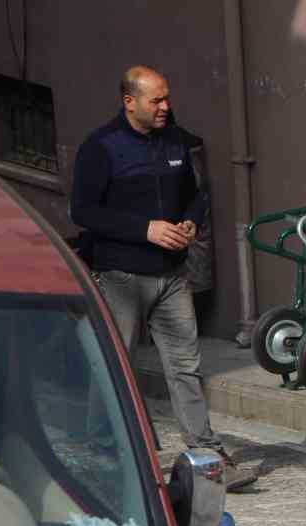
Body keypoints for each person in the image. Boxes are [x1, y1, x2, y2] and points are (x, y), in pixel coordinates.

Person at [70, 65, 255, 490]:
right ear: (129, 101)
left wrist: (189, 222)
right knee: (116, 365)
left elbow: (195, 196)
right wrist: (145, 230)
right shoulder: (101, 147)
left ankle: (207, 453)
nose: (165, 107)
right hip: (120, 276)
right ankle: (103, 450)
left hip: (172, 277)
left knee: (185, 367)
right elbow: (83, 211)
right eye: (157, 100)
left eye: (167, 98)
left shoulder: (174, 139)